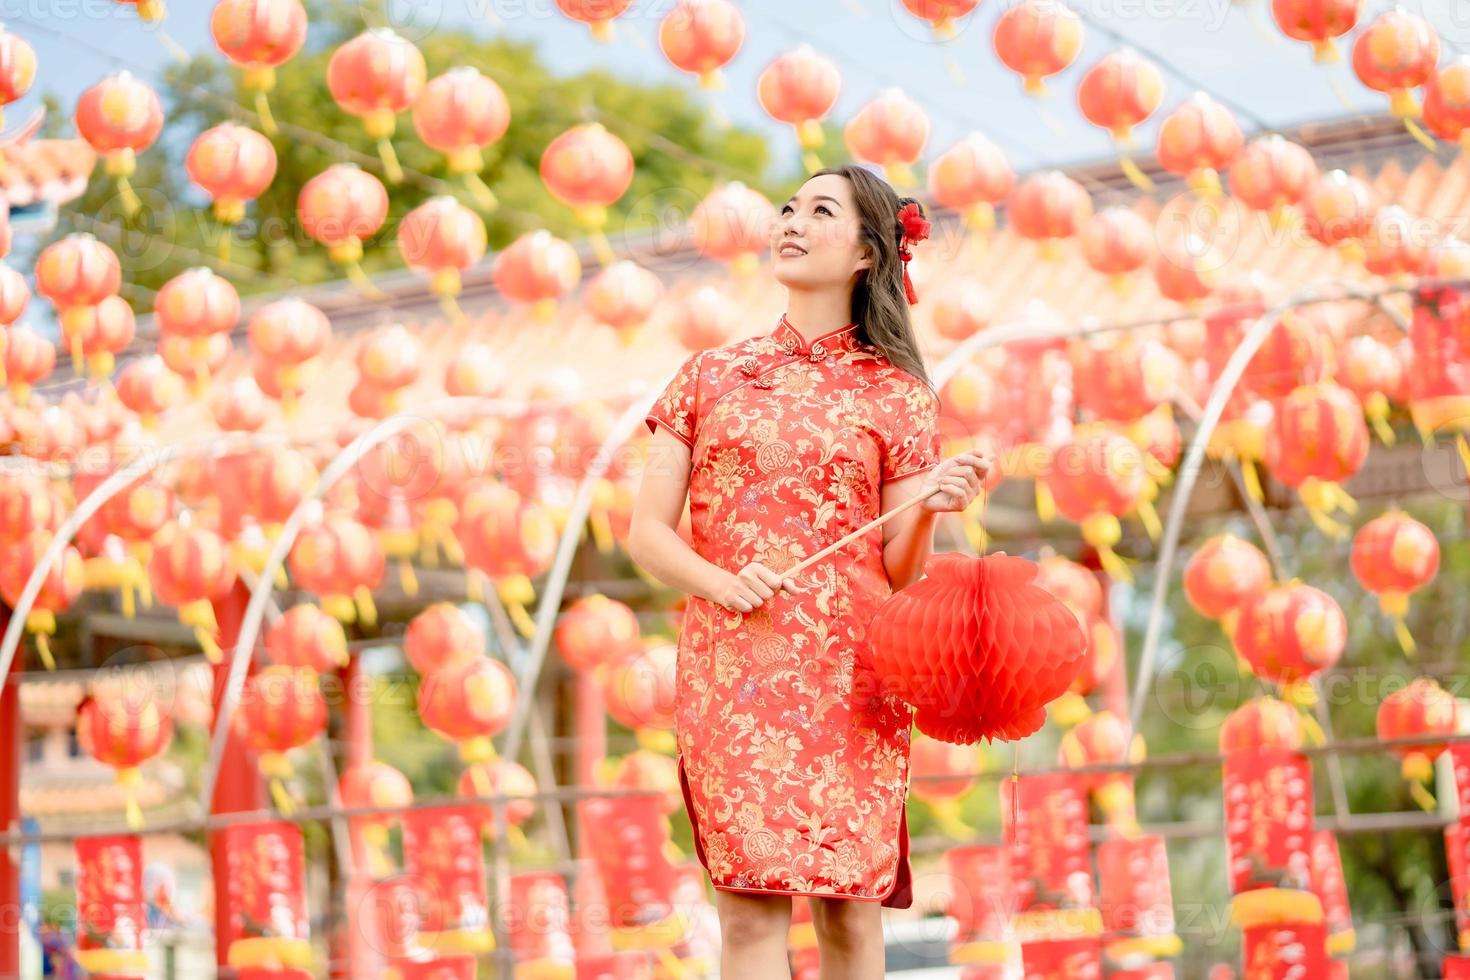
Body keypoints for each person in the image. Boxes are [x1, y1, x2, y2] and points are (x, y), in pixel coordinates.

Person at [629, 163, 993, 980]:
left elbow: (900, 571)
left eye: (819, 210)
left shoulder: (899, 396)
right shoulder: (708, 376)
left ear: (868, 251)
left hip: (852, 680)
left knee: (849, 920)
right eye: (789, 207)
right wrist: (721, 583)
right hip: (736, 678)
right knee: (751, 914)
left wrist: (930, 504)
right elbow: (646, 534)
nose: (790, 220)